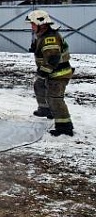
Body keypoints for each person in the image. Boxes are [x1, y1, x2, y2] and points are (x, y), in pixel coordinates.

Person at [26, 9, 74, 137]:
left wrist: (43, 72)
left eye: (33, 23)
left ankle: (65, 126)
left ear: (41, 24)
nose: (31, 26)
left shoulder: (50, 38)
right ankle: (45, 110)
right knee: (39, 86)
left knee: (55, 99)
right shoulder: (43, 36)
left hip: (59, 73)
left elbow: (53, 59)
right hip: (52, 72)